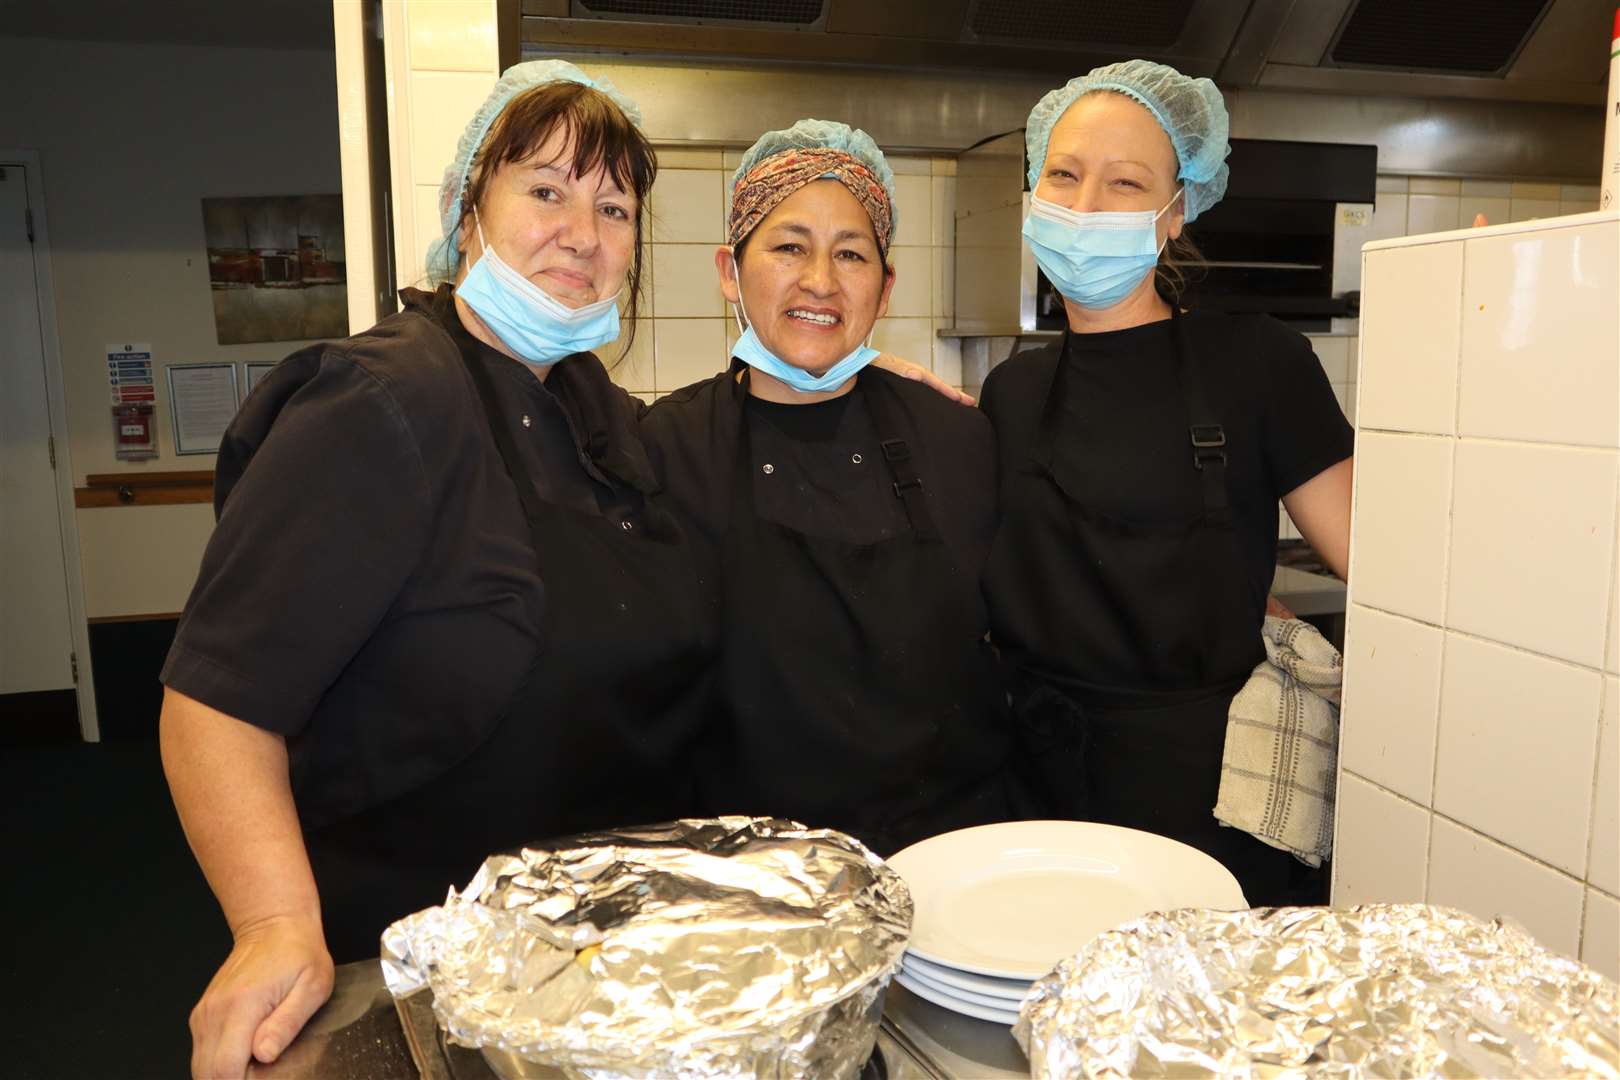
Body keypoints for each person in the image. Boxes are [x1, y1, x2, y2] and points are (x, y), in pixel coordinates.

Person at [158, 61, 715, 1077]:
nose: (582, 234)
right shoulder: (379, 403)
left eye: (615, 208)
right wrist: (275, 922)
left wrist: (863, 381)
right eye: (544, 190)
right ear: (471, 214)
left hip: (596, 978)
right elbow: (215, 701)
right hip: (419, 980)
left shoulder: (606, 423)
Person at [979, 61, 1354, 905]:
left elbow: (1392, 575)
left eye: (1126, 183)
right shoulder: (1012, 390)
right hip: (1038, 795)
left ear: (1175, 211)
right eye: (1065, 176)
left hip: (1210, 804)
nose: (1084, 205)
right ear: (1034, 187)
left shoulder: (1260, 364)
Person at [640, 120, 1034, 857]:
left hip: (950, 855)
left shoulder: (957, 438)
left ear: (883, 291)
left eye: (850, 254)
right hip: (752, 873)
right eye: (789, 246)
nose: (820, 280)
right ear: (730, 270)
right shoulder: (665, 449)